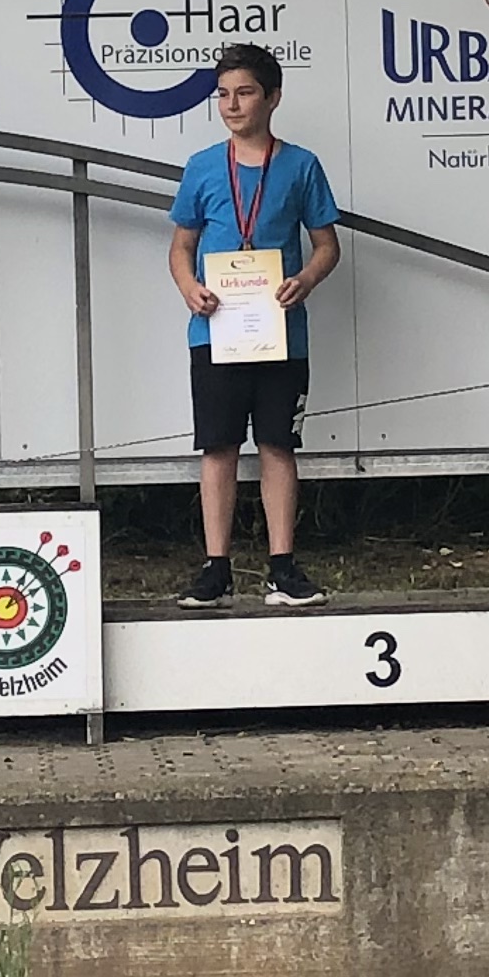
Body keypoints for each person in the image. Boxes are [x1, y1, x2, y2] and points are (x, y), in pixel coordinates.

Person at [166, 42, 344, 607]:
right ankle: (216, 570)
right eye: (223, 94)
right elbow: (181, 247)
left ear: (273, 98)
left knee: (278, 444)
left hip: (280, 332)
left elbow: (327, 245)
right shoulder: (201, 166)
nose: (232, 105)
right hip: (216, 332)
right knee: (217, 448)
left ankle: (283, 568)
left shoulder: (301, 165)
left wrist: (307, 279)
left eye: (244, 93)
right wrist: (190, 288)